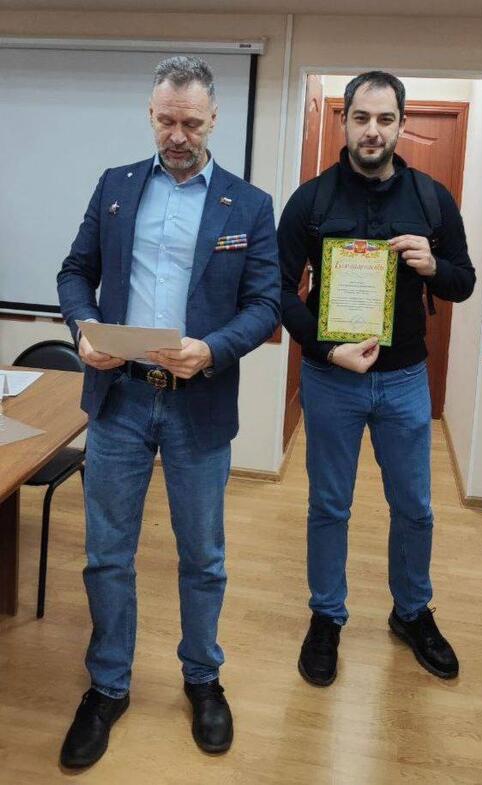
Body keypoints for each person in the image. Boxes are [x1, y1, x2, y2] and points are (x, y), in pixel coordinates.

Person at [57, 55, 280, 767]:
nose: (177, 136)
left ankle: (203, 677)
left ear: (214, 119)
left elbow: (265, 305)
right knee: (106, 552)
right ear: (150, 114)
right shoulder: (116, 187)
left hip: (198, 404)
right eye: (165, 121)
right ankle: (108, 685)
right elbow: (75, 272)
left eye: (190, 123)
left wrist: (211, 349)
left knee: (203, 555)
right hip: (119, 400)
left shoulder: (249, 205)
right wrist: (83, 330)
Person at [278, 71, 475, 688]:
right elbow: (275, 291)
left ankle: (411, 612)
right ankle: (326, 616)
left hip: (405, 380)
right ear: (344, 121)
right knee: (328, 505)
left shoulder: (432, 199)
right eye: (361, 117)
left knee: (414, 506)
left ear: (401, 124)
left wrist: (433, 264)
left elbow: (464, 282)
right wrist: (325, 348)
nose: (372, 130)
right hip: (330, 378)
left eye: (385, 119)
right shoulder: (310, 201)